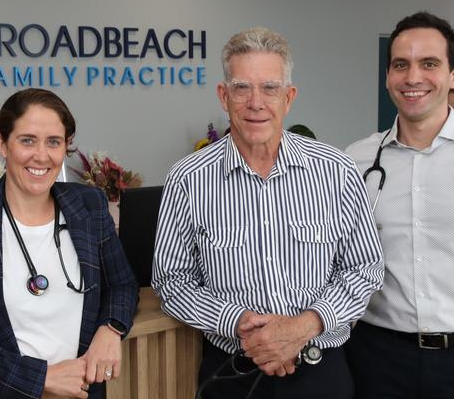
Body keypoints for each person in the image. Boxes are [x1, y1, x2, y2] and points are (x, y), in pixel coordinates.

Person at [152, 26, 384, 399]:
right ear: (224, 96)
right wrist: (242, 325)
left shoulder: (336, 171)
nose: (255, 102)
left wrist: (304, 326)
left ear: (288, 97)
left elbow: (365, 269)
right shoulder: (187, 179)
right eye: (242, 88)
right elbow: (172, 282)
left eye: (270, 88)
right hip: (232, 374)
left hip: (320, 371)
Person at [0, 88, 139, 399]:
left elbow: (123, 284)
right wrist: (40, 378)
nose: (41, 155)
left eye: (53, 142)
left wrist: (111, 328)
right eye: (27, 140)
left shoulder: (87, 206)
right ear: (1, 143)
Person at [345, 12, 454, 399]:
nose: (413, 77)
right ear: (388, 77)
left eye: (429, 63)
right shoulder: (357, 160)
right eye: (401, 64)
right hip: (378, 358)